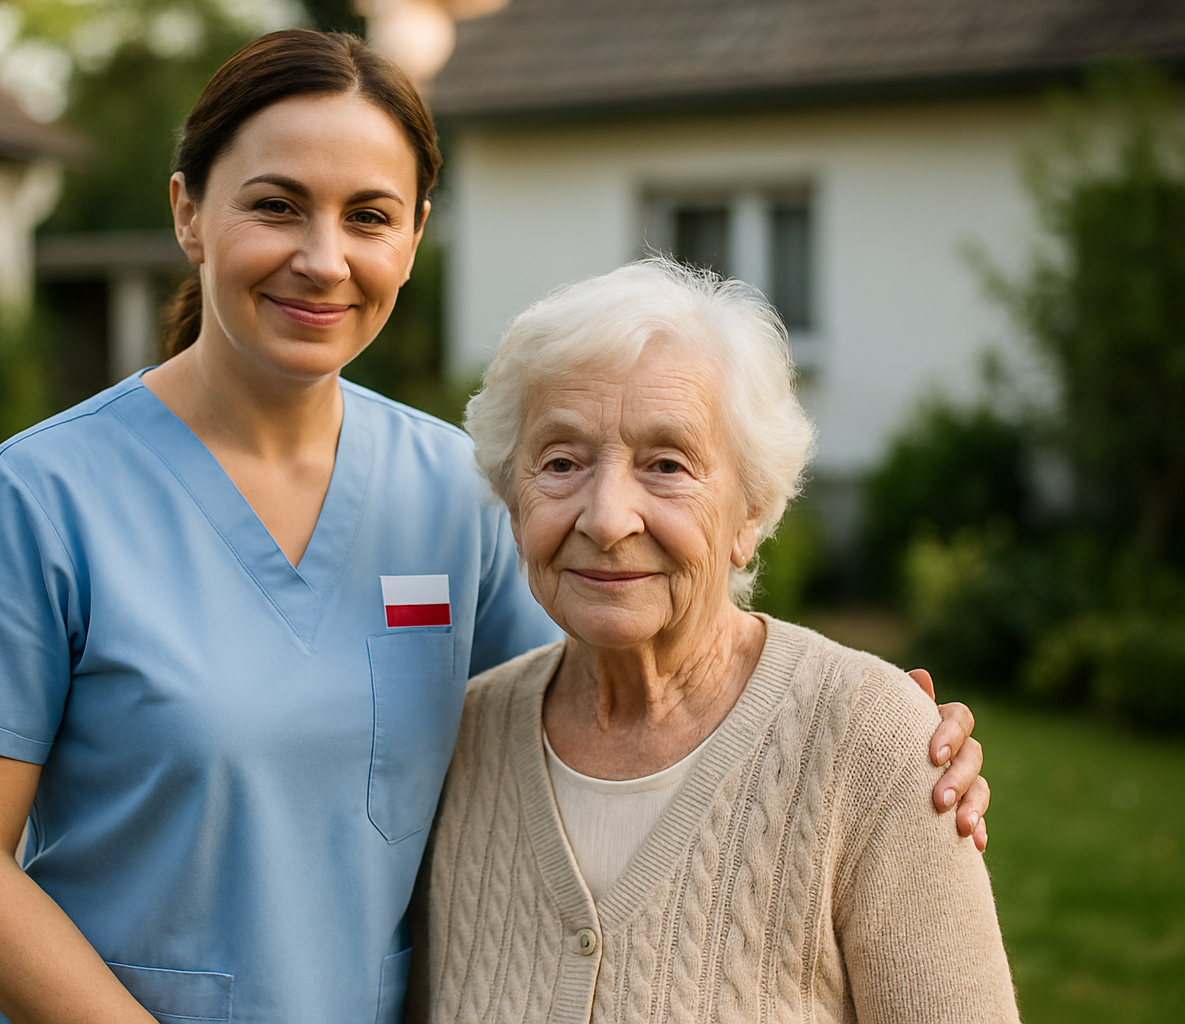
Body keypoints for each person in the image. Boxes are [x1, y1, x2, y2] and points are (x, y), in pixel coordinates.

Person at [0, 30, 989, 1024]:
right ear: (188, 214)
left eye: (368, 216)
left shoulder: (461, 492)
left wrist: (872, 740)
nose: (324, 257)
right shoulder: (46, 496)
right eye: (276, 206)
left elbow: (600, 705)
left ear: (412, 240)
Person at [409, 258, 1018, 1023]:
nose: (608, 518)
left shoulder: (876, 746)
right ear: (512, 498)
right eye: (561, 462)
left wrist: (893, 735)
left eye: (666, 465)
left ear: (750, 512)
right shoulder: (459, 742)